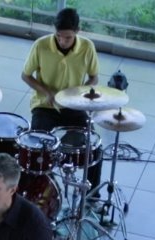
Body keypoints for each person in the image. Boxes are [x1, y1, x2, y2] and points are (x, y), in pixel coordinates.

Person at [21, 7, 103, 200]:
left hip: (74, 107)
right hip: (45, 106)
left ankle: (92, 196)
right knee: (37, 147)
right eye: (59, 36)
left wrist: (79, 93)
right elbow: (25, 75)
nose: (62, 41)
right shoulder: (40, 45)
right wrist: (47, 92)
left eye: (67, 37)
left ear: (78, 32)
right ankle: (36, 193)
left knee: (94, 147)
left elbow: (94, 77)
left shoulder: (87, 47)